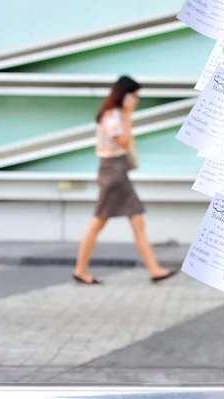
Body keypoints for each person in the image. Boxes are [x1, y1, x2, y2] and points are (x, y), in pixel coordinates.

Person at [72, 76, 176, 285]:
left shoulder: (113, 114)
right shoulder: (114, 118)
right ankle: (80, 270)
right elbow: (125, 143)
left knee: (137, 221)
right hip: (113, 173)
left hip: (117, 172)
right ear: (125, 95)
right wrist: (128, 115)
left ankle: (154, 270)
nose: (136, 100)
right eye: (135, 96)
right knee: (99, 222)